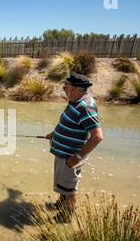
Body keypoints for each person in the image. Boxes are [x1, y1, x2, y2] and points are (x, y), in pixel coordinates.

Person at [45, 73, 104, 223]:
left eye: (66, 87)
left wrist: (77, 157)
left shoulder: (85, 107)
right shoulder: (75, 101)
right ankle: (60, 204)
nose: (64, 90)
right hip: (63, 154)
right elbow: (69, 122)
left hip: (70, 157)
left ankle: (65, 217)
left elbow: (97, 137)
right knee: (62, 183)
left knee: (69, 188)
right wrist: (54, 134)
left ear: (76, 89)